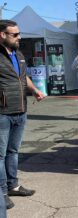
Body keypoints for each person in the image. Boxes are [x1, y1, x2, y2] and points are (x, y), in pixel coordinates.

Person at [0, 20, 45, 209]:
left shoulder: (18, 54)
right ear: (2, 35)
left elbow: (23, 77)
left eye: (19, 33)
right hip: (2, 113)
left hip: (21, 110)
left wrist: (34, 90)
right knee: (0, 155)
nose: (20, 37)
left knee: (13, 151)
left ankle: (13, 186)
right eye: (15, 34)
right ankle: (2, 193)